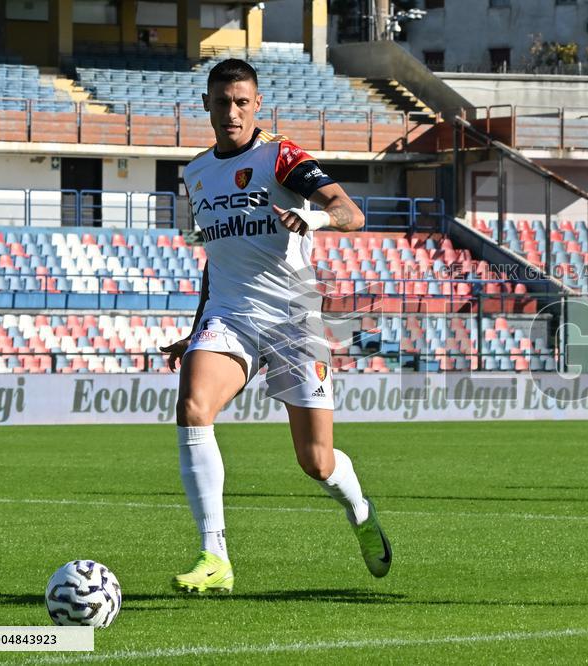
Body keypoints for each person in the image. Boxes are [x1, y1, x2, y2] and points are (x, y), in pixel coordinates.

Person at [159, 58, 392, 594]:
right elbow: (217, 259)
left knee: (316, 461)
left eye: (242, 102)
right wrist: (195, 330)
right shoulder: (197, 173)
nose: (232, 112)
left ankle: (360, 510)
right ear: (207, 105)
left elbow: (351, 212)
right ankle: (215, 555)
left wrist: (315, 216)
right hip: (229, 316)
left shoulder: (280, 156)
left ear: (257, 104)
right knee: (193, 406)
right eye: (223, 102)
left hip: (293, 320)